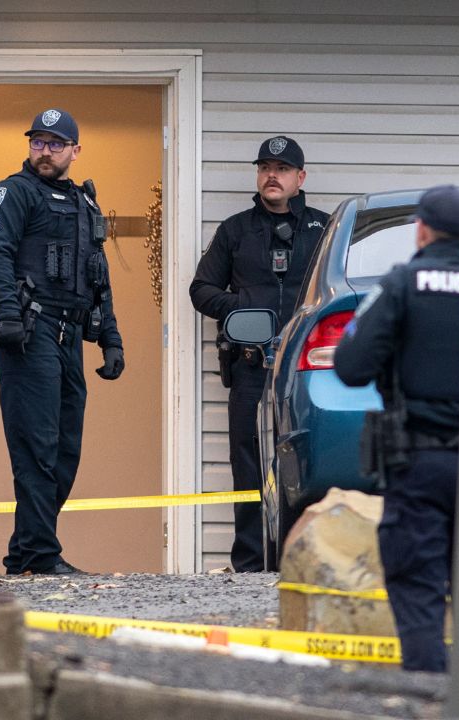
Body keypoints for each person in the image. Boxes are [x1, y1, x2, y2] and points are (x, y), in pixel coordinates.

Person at [333, 185, 459, 672]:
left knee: (418, 588)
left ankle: (428, 701)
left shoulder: (400, 285)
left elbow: (351, 366)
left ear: (421, 231)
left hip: (417, 461)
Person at [0, 108, 124, 576]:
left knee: (65, 449)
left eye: (55, 144)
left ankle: (24, 552)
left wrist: (111, 339)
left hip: (70, 335)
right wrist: (6, 314)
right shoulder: (12, 193)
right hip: (29, 332)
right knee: (36, 447)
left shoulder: (85, 204)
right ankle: (41, 555)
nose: (44, 151)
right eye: (37, 142)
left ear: (75, 151)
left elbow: (98, 278)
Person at [189, 136, 329, 572]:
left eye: (283, 168)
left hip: (308, 372)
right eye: (266, 167)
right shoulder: (235, 230)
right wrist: (242, 308)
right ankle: (250, 564)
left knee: (310, 461)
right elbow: (202, 290)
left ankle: (305, 561)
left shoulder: (323, 229)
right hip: (251, 368)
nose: (273, 175)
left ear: (300, 178)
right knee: (249, 466)